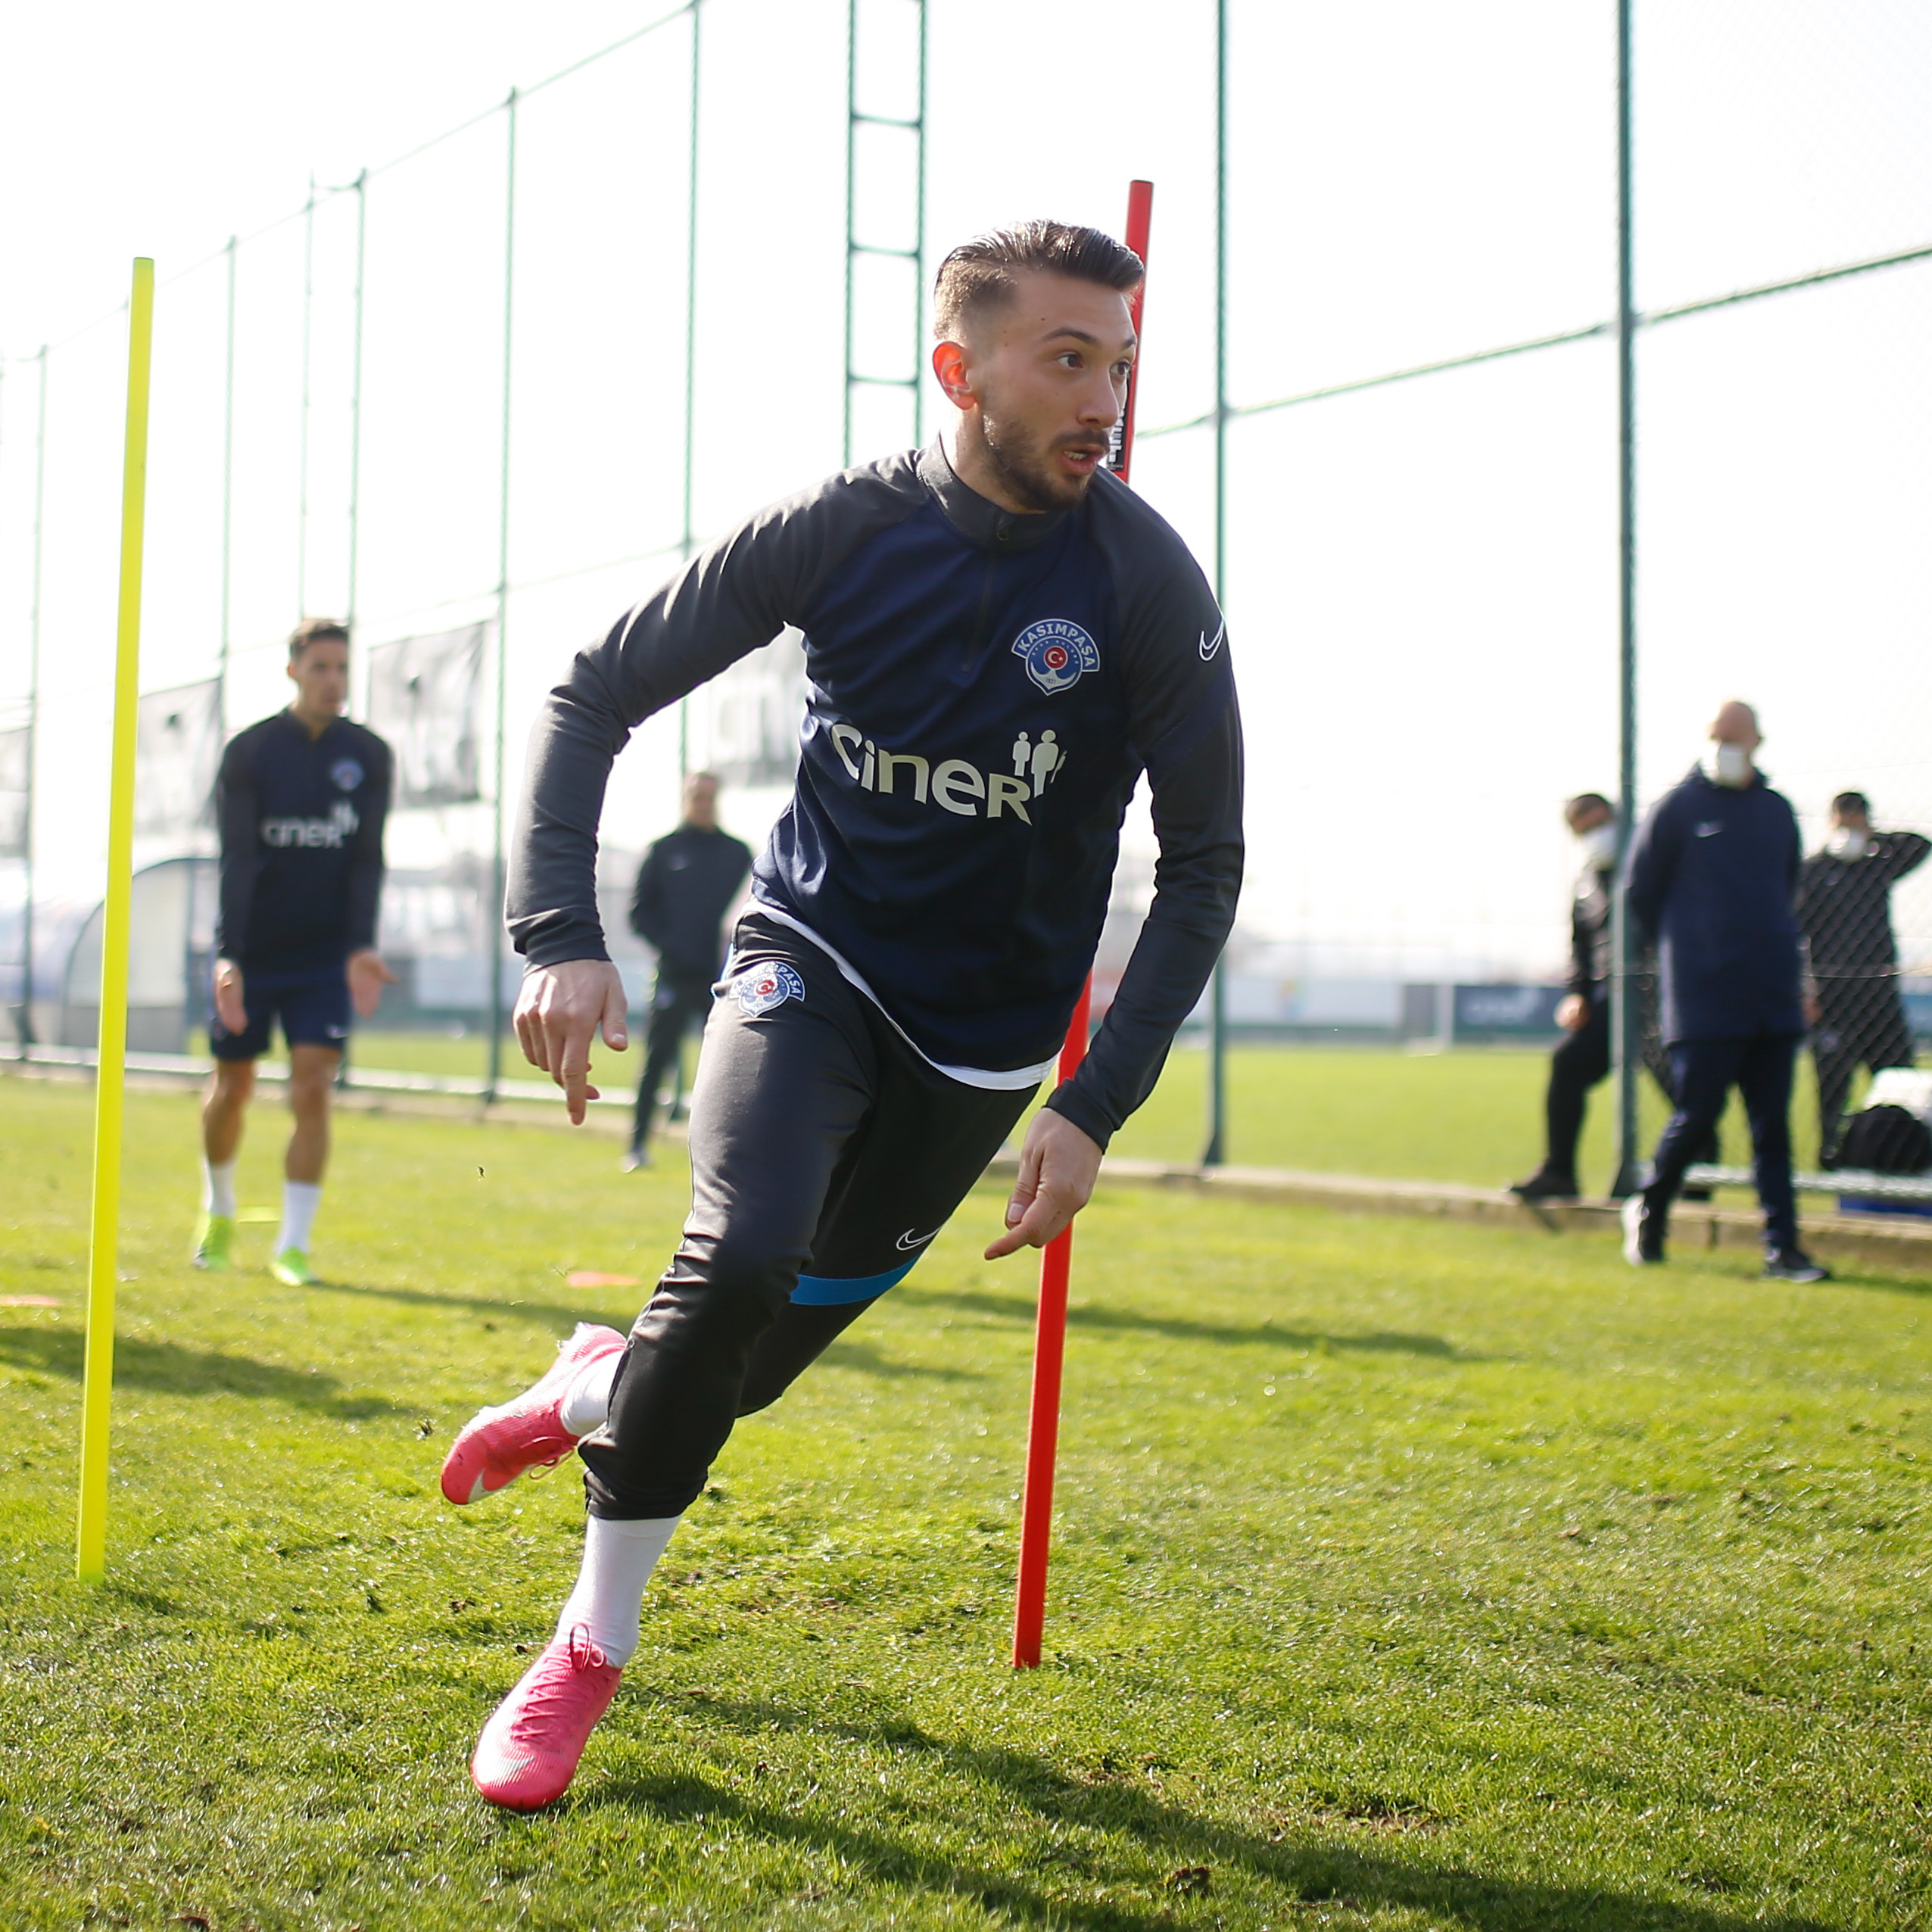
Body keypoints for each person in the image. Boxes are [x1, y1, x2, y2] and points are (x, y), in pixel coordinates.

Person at [439, 220, 1242, 1810]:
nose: (1105, 399)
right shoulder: (841, 528)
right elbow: (592, 691)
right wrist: (560, 936)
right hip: (805, 958)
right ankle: (588, 1647)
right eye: (1066, 360)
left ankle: (589, 1386)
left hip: (983, 1047)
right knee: (736, 1256)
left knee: (733, 1371)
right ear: (960, 368)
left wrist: (1093, 1105)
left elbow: (1206, 861)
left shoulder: (1145, 583)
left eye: (1120, 364)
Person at [194, 618, 395, 1285]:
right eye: (321, 668)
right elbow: (237, 858)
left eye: (343, 669)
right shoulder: (250, 752)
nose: (334, 681)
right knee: (233, 1088)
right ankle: (218, 1211)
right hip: (254, 954)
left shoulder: (369, 754)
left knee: (312, 1087)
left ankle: (293, 1246)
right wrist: (229, 955)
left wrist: (361, 947)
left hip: (325, 959)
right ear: (293, 672)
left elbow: (366, 859)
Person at [1619, 701, 1828, 1282]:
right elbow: (1640, 893)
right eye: (1717, 737)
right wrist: (1692, 947)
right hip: (1704, 998)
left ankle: (1782, 1249)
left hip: (1772, 993)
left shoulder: (1776, 810)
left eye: (1735, 738)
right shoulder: (1677, 809)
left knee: (1772, 1130)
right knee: (1698, 1116)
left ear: (1758, 741)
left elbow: (1787, 888)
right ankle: (1651, 1209)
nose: (1725, 748)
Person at [1510, 793, 1712, 1202]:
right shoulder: (1586, 881)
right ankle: (1559, 1172)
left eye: (1601, 825)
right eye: (1585, 831)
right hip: (1612, 1000)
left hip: (1662, 995)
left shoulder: (1658, 863)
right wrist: (1577, 995)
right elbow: (1581, 949)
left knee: (1684, 1089)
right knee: (1568, 1063)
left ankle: (1697, 1181)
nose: (1596, 836)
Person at [621, 771, 752, 1171]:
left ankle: (735, 1154)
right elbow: (639, 914)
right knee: (657, 1059)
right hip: (675, 976)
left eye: (709, 796)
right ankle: (637, 1146)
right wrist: (673, 946)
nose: (703, 803)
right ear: (685, 797)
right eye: (697, 795)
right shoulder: (663, 851)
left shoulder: (737, 854)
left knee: (735, 1066)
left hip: (725, 979)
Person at [1795, 791, 1928, 1166]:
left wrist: (1873, 837)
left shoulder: (1876, 865)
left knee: (1899, 1079)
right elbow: (1797, 937)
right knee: (1832, 1085)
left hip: (1880, 997)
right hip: (1833, 999)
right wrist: (1806, 992)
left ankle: (1904, 1152)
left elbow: (1919, 846)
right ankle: (1831, 1155)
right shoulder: (1813, 870)